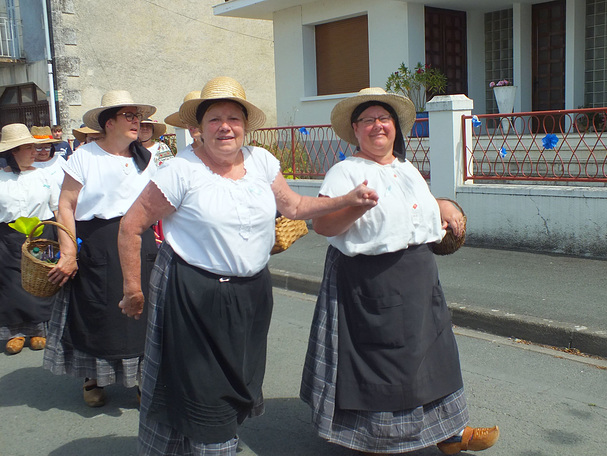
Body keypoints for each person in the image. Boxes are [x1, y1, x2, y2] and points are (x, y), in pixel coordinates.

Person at [117, 76, 379, 455]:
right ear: (200, 129)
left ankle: (210, 440)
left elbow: (294, 208)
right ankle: (215, 445)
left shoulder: (261, 161)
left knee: (240, 375)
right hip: (193, 292)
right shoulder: (180, 170)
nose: (226, 127)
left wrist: (347, 198)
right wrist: (132, 289)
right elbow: (130, 226)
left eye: (234, 119)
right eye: (215, 119)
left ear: (245, 126)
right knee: (204, 385)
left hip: (253, 292)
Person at [300, 87, 500, 455]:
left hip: (421, 280)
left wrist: (440, 205)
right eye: (368, 120)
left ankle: (450, 434)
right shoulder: (346, 172)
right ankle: (382, 442)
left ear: (395, 127)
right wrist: (354, 207)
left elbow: (409, 208)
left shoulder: (406, 169)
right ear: (355, 130)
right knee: (387, 368)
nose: (378, 126)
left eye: (384, 118)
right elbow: (324, 227)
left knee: (434, 358)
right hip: (373, 283)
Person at [43, 90, 157, 408]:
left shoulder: (145, 158)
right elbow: (64, 205)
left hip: (140, 242)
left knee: (139, 315)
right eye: (129, 116)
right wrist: (68, 252)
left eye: (138, 116)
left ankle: (140, 379)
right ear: (109, 123)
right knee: (98, 315)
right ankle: (92, 378)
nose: (137, 122)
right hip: (99, 243)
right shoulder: (85, 157)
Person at [0, 124, 58, 355]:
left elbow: (56, 207)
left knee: (42, 282)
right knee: (12, 283)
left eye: (35, 146)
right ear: (13, 151)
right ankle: (15, 333)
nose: (35, 151)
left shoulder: (44, 175)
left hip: (42, 234)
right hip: (8, 238)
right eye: (28, 147)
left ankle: (39, 331)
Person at [31, 126, 65, 205]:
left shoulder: (58, 160)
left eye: (46, 148)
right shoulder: (28, 165)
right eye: (38, 148)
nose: (43, 152)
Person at [164, 90, 203, 154]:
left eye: (195, 117)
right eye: (187, 119)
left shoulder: (223, 152)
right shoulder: (181, 159)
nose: (190, 123)